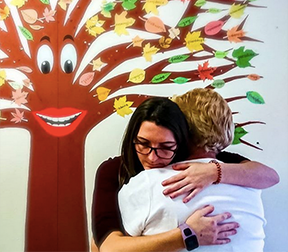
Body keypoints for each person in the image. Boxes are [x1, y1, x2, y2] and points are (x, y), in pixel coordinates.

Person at [91, 94, 279, 252]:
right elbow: (107, 246)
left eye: (166, 147)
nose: (153, 157)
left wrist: (214, 171)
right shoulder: (115, 170)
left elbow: (270, 176)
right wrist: (186, 235)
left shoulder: (221, 164)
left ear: (180, 137)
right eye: (143, 143)